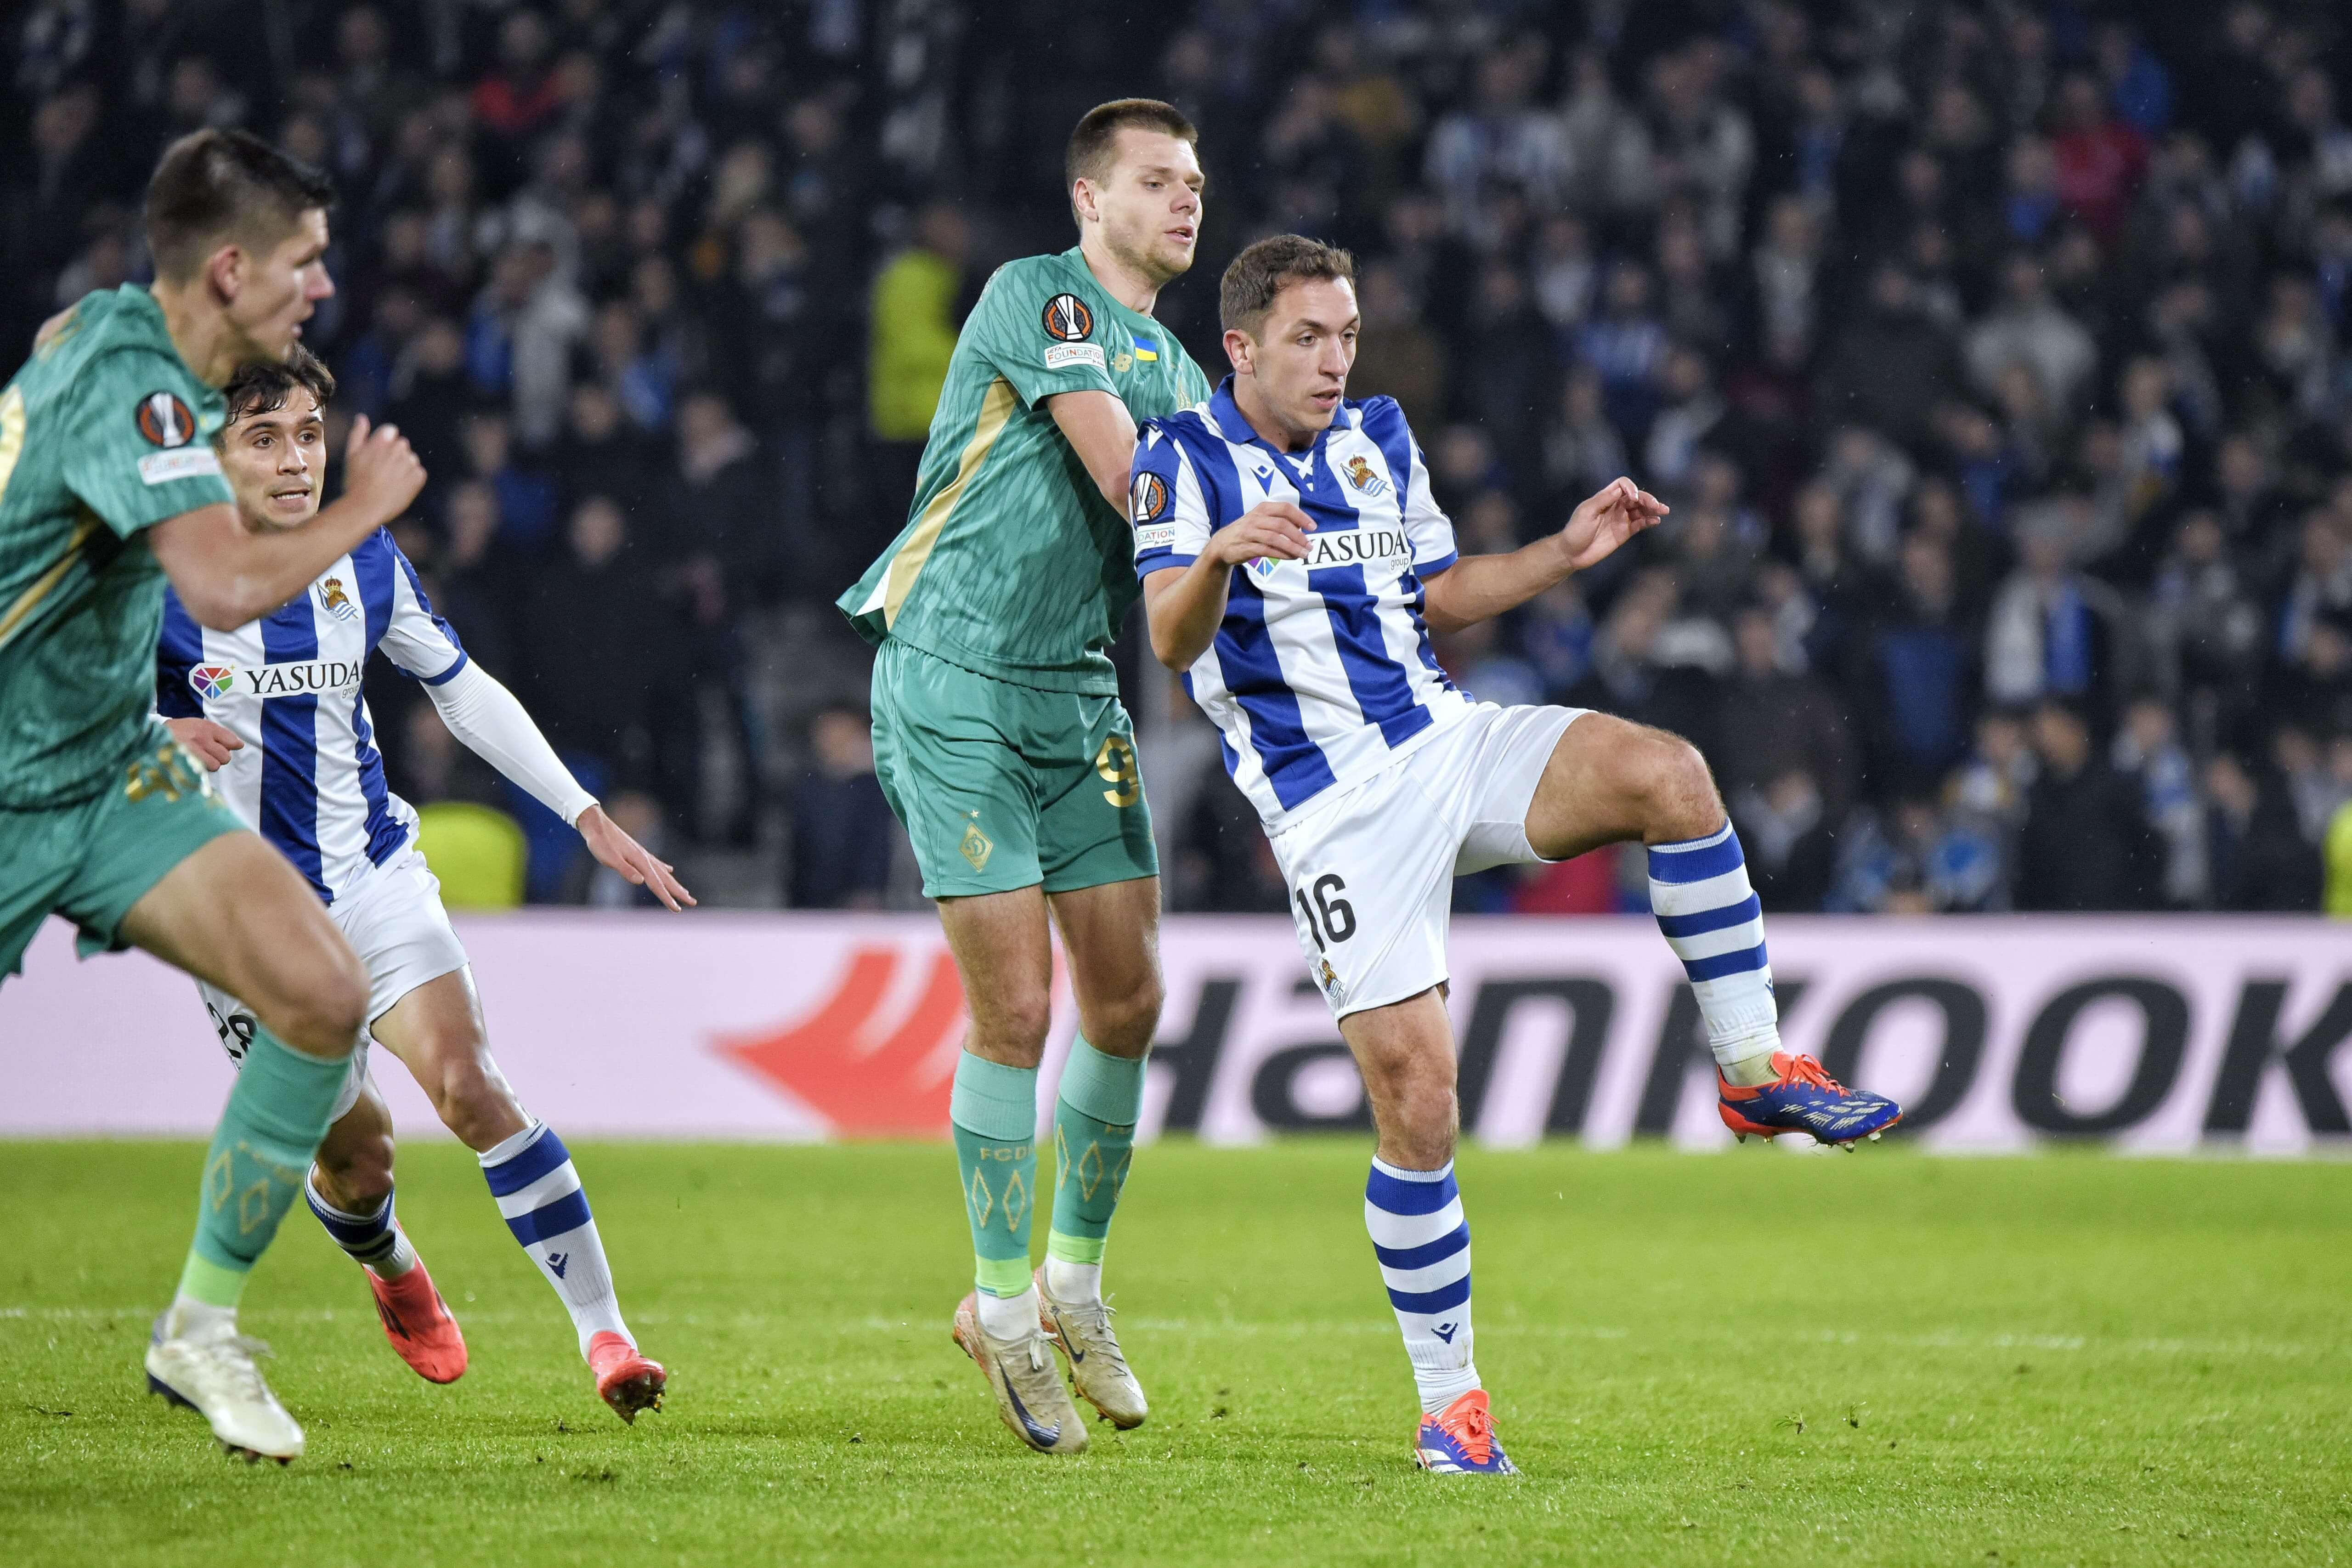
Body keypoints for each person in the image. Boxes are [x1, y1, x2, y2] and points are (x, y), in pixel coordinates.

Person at [1131, 235, 1904, 1477]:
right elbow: (1171, 639)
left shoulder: (1378, 433)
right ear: (1241, 348)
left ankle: (1755, 1064)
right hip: (1329, 809)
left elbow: (1431, 593)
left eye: (1346, 334)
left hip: (1444, 738)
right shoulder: (1183, 459)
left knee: (1674, 775)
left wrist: (1561, 553)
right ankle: (1453, 1403)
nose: (1336, 360)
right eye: (1308, 339)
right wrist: (1220, 553)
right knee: (1421, 1106)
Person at [157, 349, 692, 1426]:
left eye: (309, 433)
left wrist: (581, 811)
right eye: (263, 438)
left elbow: (460, 688)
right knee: (356, 1160)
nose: (296, 459)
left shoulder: (359, 557)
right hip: (241, 920)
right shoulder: (152, 581)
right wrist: (153, 726)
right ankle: (390, 1260)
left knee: (470, 1087)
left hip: (374, 882)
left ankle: (607, 1336)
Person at [0, 129, 423, 1464]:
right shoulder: (135, 391)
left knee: (318, 993)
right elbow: (229, 587)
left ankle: (200, 1326)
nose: (322, 289)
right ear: (230, 269)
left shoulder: (131, 341)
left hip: (107, 767)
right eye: (304, 263)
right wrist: (366, 503)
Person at [834, 99, 1214, 1455]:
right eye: (1157, 180)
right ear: (1088, 198)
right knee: (1020, 1003)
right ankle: (998, 1309)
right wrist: (1237, 515)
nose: (1185, 201)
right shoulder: (1037, 299)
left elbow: (1198, 574)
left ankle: (1071, 1281)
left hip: (1075, 694)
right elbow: (1135, 485)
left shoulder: (1179, 366)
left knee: (1129, 997)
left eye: (1195, 182)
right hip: (953, 674)